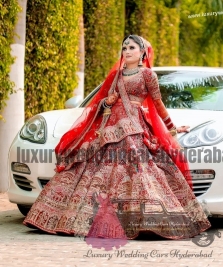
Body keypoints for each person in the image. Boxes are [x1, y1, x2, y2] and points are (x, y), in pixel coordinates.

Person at [23, 35, 211, 240]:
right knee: (90, 169)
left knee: (140, 168)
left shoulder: (148, 75)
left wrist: (171, 129)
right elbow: (100, 103)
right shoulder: (116, 76)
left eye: (132, 47)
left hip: (135, 128)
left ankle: (147, 220)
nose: (127, 51)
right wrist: (107, 102)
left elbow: (158, 105)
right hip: (109, 129)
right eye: (124, 48)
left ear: (142, 52)